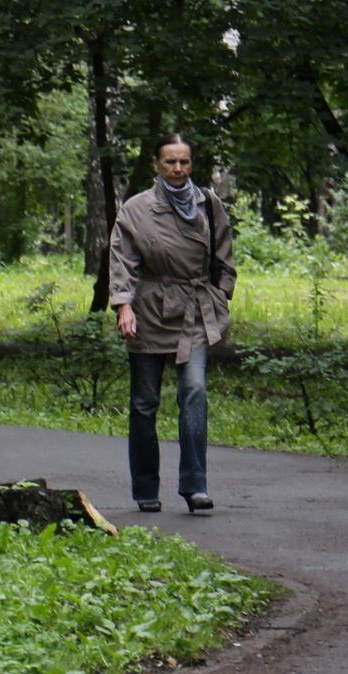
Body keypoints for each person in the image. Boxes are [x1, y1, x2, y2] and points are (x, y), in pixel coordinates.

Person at [109, 133, 234, 514]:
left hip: (194, 312)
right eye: (170, 162)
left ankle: (195, 486)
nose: (178, 169)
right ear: (156, 165)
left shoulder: (208, 204)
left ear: (191, 164)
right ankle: (146, 489)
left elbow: (224, 254)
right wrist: (123, 306)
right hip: (148, 312)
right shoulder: (136, 208)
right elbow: (122, 260)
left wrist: (221, 293)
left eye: (184, 162)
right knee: (144, 403)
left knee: (194, 392)